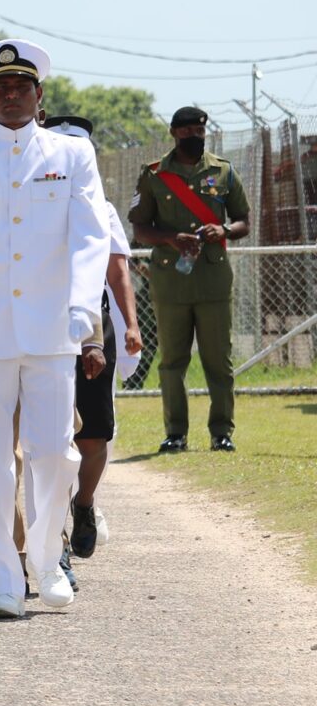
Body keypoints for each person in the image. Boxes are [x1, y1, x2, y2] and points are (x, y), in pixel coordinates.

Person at [0, 39, 110, 619]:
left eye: (21, 87)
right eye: (0, 89)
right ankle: (2, 575)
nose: (11, 97)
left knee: (55, 454)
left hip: (53, 327)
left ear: (40, 95)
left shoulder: (70, 155)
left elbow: (89, 236)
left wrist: (85, 312)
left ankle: (46, 559)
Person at [43, 115, 144, 557]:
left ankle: (83, 503)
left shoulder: (101, 209)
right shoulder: (28, 199)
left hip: (89, 326)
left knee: (94, 431)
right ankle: (51, 536)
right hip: (38, 323)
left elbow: (117, 268)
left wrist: (131, 324)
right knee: (46, 431)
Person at [128, 105, 250, 453]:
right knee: (172, 362)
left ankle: (221, 432)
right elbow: (139, 227)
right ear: (173, 133)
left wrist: (222, 228)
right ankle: (175, 433)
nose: (193, 137)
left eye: (199, 132)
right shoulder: (153, 175)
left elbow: (244, 221)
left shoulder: (223, 171)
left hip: (212, 278)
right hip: (169, 279)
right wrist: (169, 238)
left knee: (218, 361)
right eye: (186, 132)